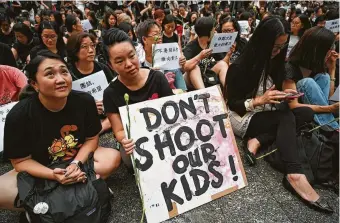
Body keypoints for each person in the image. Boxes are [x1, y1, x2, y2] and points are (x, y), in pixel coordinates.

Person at [225, 16, 333, 213]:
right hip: (242, 115)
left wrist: (286, 95)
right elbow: (232, 104)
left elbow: (277, 91)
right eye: (274, 47)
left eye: (282, 47)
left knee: (304, 114)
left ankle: (258, 139)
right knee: (286, 117)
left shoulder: (276, 61)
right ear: (262, 43)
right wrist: (258, 101)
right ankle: (295, 174)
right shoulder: (239, 66)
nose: (277, 51)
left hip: (266, 111)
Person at [0, 51, 120, 211]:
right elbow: (20, 162)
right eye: (50, 74)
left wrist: (76, 164)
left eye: (64, 72)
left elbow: (91, 139)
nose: (61, 79)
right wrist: (53, 175)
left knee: (112, 158)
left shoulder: (85, 101)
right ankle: (85, 190)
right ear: (34, 84)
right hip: (41, 169)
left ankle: (52, 203)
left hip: (75, 160)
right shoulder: (19, 115)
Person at [102, 28, 173, 167]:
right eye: (119, 61)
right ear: (110, 65)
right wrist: (125, 141)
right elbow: (119, 131)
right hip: (137, 141)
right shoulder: (110, 93)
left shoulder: (157, 78)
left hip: (164, 134)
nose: (128, 64)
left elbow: (172, 111)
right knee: (130, 160)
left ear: (136, 53)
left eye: (131, 56)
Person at [284, 26, 339, 130]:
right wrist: (329, 109)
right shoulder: (289, 69)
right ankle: (334, 129)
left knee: (324, 76)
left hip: (319, 114)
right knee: (307, 82)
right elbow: (293, 106)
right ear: (317, 50)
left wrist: (332, 69)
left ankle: (331, 128)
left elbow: (327, 98)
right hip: (295, 113)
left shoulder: (316, 67)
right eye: (329, 50)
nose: (331, 53)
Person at [66, 32, 114, 134]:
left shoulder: (102, 68)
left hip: (108, 115)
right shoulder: (68, 75)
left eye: (92, 46)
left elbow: (115, 91)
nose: (91, 50)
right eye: (84, 47)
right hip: (84, 121)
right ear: (75, 51)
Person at [136, 19, 187, 91]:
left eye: (160, 33)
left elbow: (181, 72)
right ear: (144, 39)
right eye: (155, 34)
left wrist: (181, 64)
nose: (160, 37)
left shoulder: (168, 54)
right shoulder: (137, 59)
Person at [183, 17, 229, 89]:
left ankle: (228, 91)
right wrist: (199, 57)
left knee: (222, 64)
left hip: (209, 74)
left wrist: (229, 54)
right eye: (213, 30)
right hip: (193, 78)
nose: (215, 32)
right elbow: (184, 67)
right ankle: (205, 94)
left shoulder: (213, 43)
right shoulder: (191, 46)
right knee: (194, 67)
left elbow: (223, 62)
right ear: (208, 32)